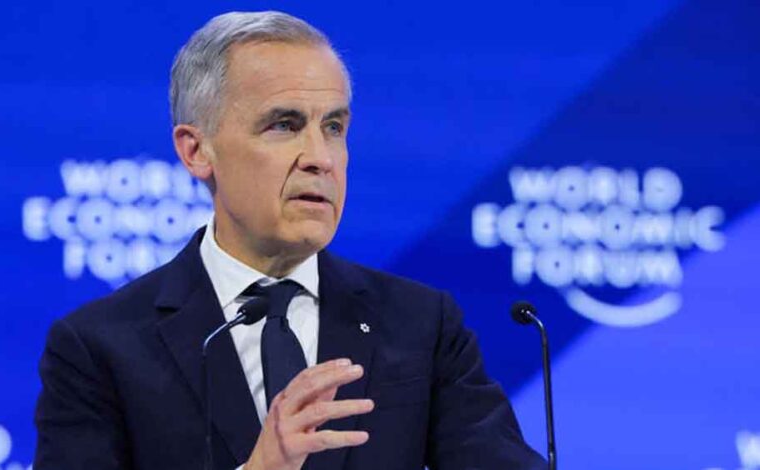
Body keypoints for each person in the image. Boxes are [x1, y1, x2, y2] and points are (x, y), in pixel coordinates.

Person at [34, 11, 546, 470]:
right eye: (284, 125)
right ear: (196, 151)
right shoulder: (100, 347)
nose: (320, 158)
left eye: (334, 127)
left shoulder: (420, 325)